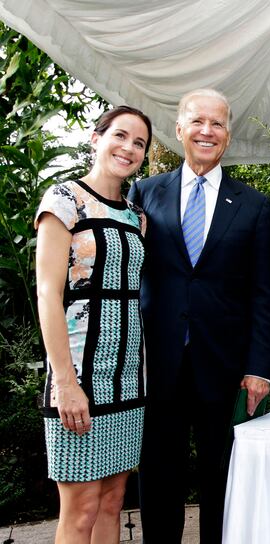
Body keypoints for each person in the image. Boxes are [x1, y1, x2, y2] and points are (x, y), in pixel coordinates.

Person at [128, 88, 270, 542]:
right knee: (159, 477)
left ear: (228, 136)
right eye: (197, 121)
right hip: (158, 364)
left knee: (223, 479)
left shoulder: (252, 205)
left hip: (225, 367)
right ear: (179, 130)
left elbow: (262, 293)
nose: (206, 131)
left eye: (217, 124)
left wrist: (258, 368)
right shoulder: (143, 193)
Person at [35, 105, 152, 543]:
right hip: (79, 374)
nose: (128, 148)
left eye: (139, 143)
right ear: (96, 138)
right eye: (120, 136)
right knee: (80, 508)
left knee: (112, 503)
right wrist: (64, 381)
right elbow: (48, 293)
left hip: (128, 378)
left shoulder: (136, 216)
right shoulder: (64, 199)